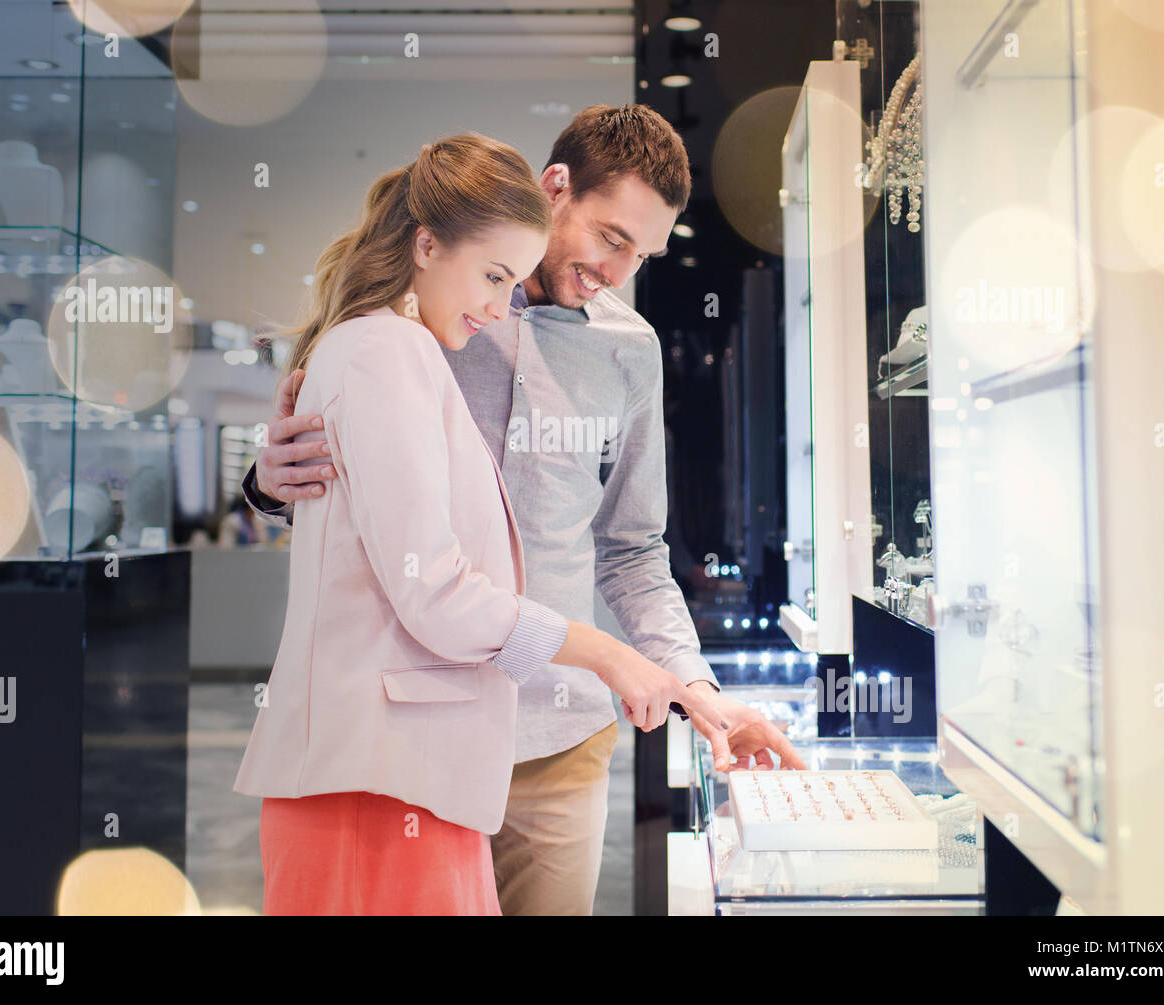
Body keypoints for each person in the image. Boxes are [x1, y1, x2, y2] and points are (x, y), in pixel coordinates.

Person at [244, 107, 804, 916]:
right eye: (612, 238)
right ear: (555, 187)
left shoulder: (629, 350)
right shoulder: (419, 319)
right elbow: (357, 512)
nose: (618, 271)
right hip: (416, 734)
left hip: (559, 734)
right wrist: (268, 480)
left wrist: (694, 685)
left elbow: (633, 549)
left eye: (641, 255)